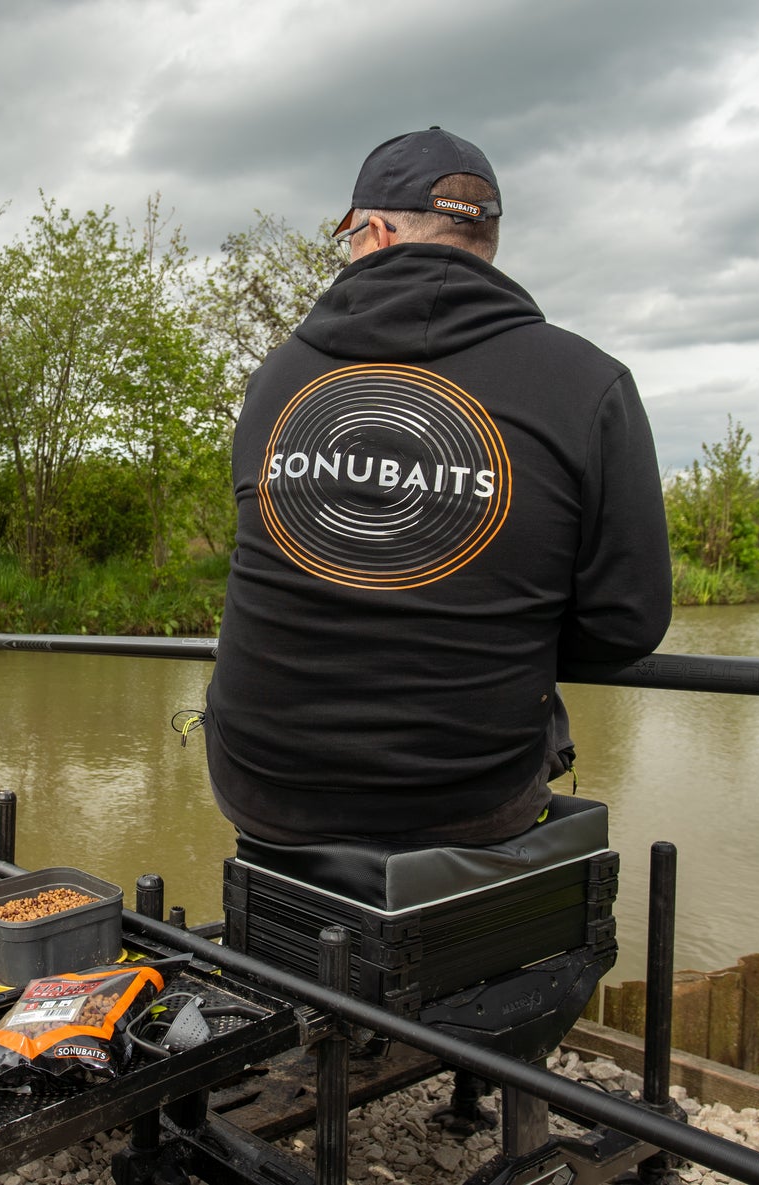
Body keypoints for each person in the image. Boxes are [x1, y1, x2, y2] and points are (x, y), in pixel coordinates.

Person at [203, 127, 672, 847]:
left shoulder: (275, 378)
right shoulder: (588, 383)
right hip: (468, 801)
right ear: (486, 241)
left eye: (348, 237)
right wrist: (508, 632)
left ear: (376, 233)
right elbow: (627, 623)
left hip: (262, 785)